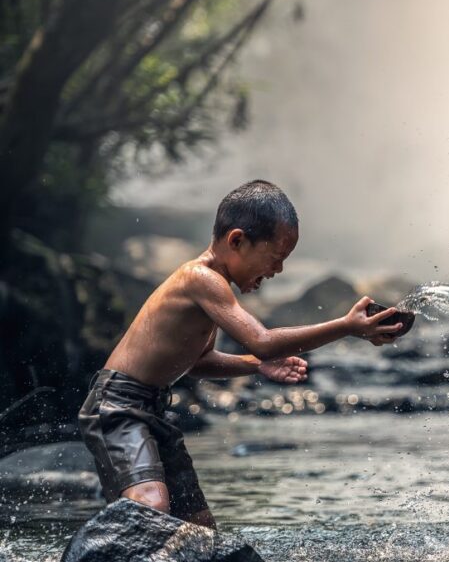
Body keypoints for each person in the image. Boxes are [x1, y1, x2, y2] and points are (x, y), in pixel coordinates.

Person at [79, 180, 406, 529]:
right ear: (237, 241)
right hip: (118, 406)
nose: (277, 270)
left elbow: (200, 363)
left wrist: (256, 366)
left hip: (152, 409)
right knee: (151, 503)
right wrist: (345, 326)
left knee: (198, 527)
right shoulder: (199, 278)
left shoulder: (213, 290)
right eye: (275, 258)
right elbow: (262, 340)